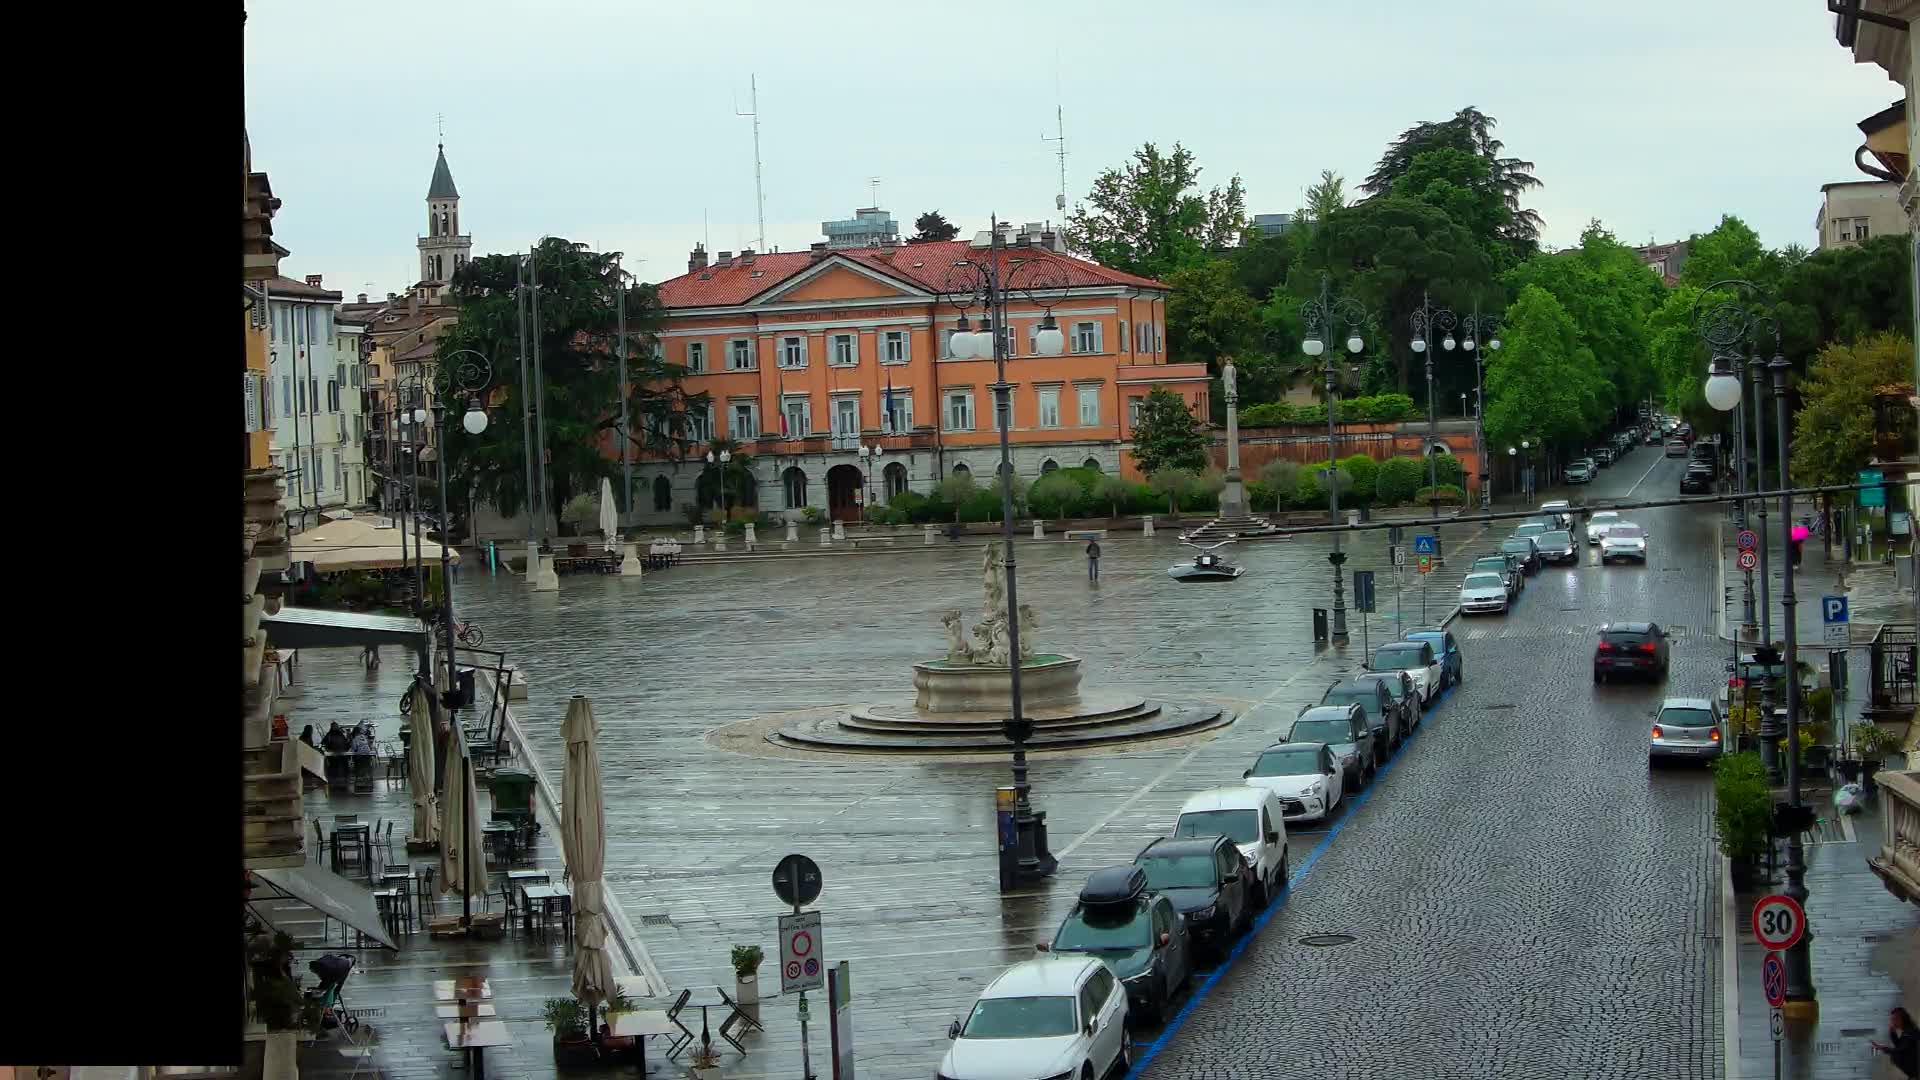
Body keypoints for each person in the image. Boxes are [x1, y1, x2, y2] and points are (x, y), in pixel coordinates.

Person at [1872, 1006, 1918, 1078]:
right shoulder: (1909, 1030)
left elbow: (1899, 1051)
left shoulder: (1910, 1033)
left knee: (1894, 1056)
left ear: (1900, 1019)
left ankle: (1914, 1075)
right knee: (1894, 1055)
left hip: (1916, 1067)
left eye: (1893, 1019)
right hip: (1914, 1064)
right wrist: (1892, 1033)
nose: (1891, 1022)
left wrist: (1882, 1048)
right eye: (1891, 1019)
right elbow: (1900, 1046)